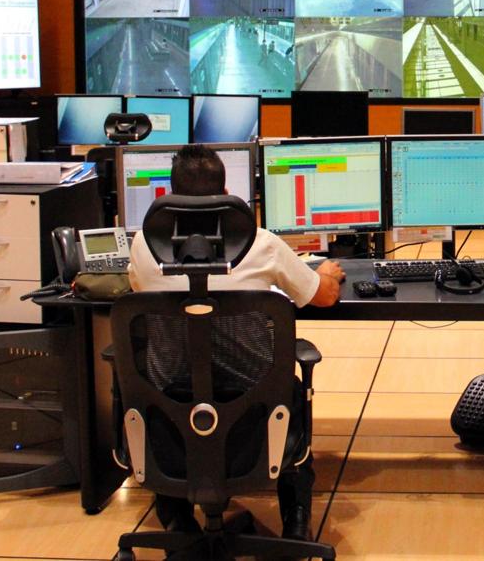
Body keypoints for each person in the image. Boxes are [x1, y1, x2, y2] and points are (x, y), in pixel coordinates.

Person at [128, 144, 345, 541]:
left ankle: (177, 524)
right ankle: (295, 526)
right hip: (255, 411)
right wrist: (324, 272)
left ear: (168, 195)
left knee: (156, 388)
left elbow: (139, 291)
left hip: (169, 412)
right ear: (227, 190)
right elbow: (325, 296)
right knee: (291, 389)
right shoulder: (260, 243)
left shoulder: (143, 246)